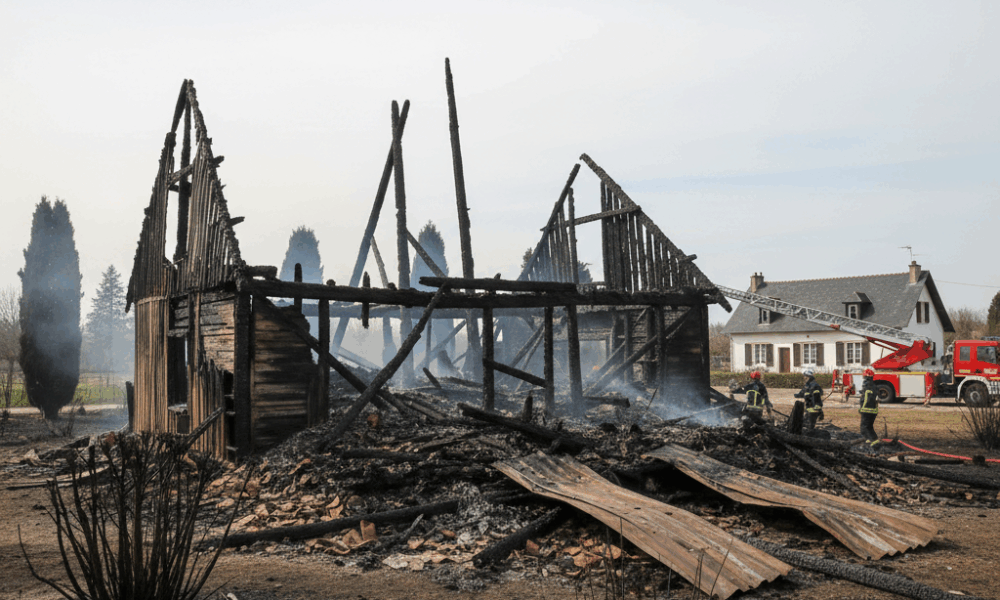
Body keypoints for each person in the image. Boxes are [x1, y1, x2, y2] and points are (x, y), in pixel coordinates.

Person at [859, 369, 881, 447]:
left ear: (866, 377)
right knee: (869, 427)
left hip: (866, 410)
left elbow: (864, 399)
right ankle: (875, 441)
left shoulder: (866, 386)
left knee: (864, 427)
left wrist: (861, 408)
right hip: (874, 411)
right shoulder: (875, 386)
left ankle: (865, 442)